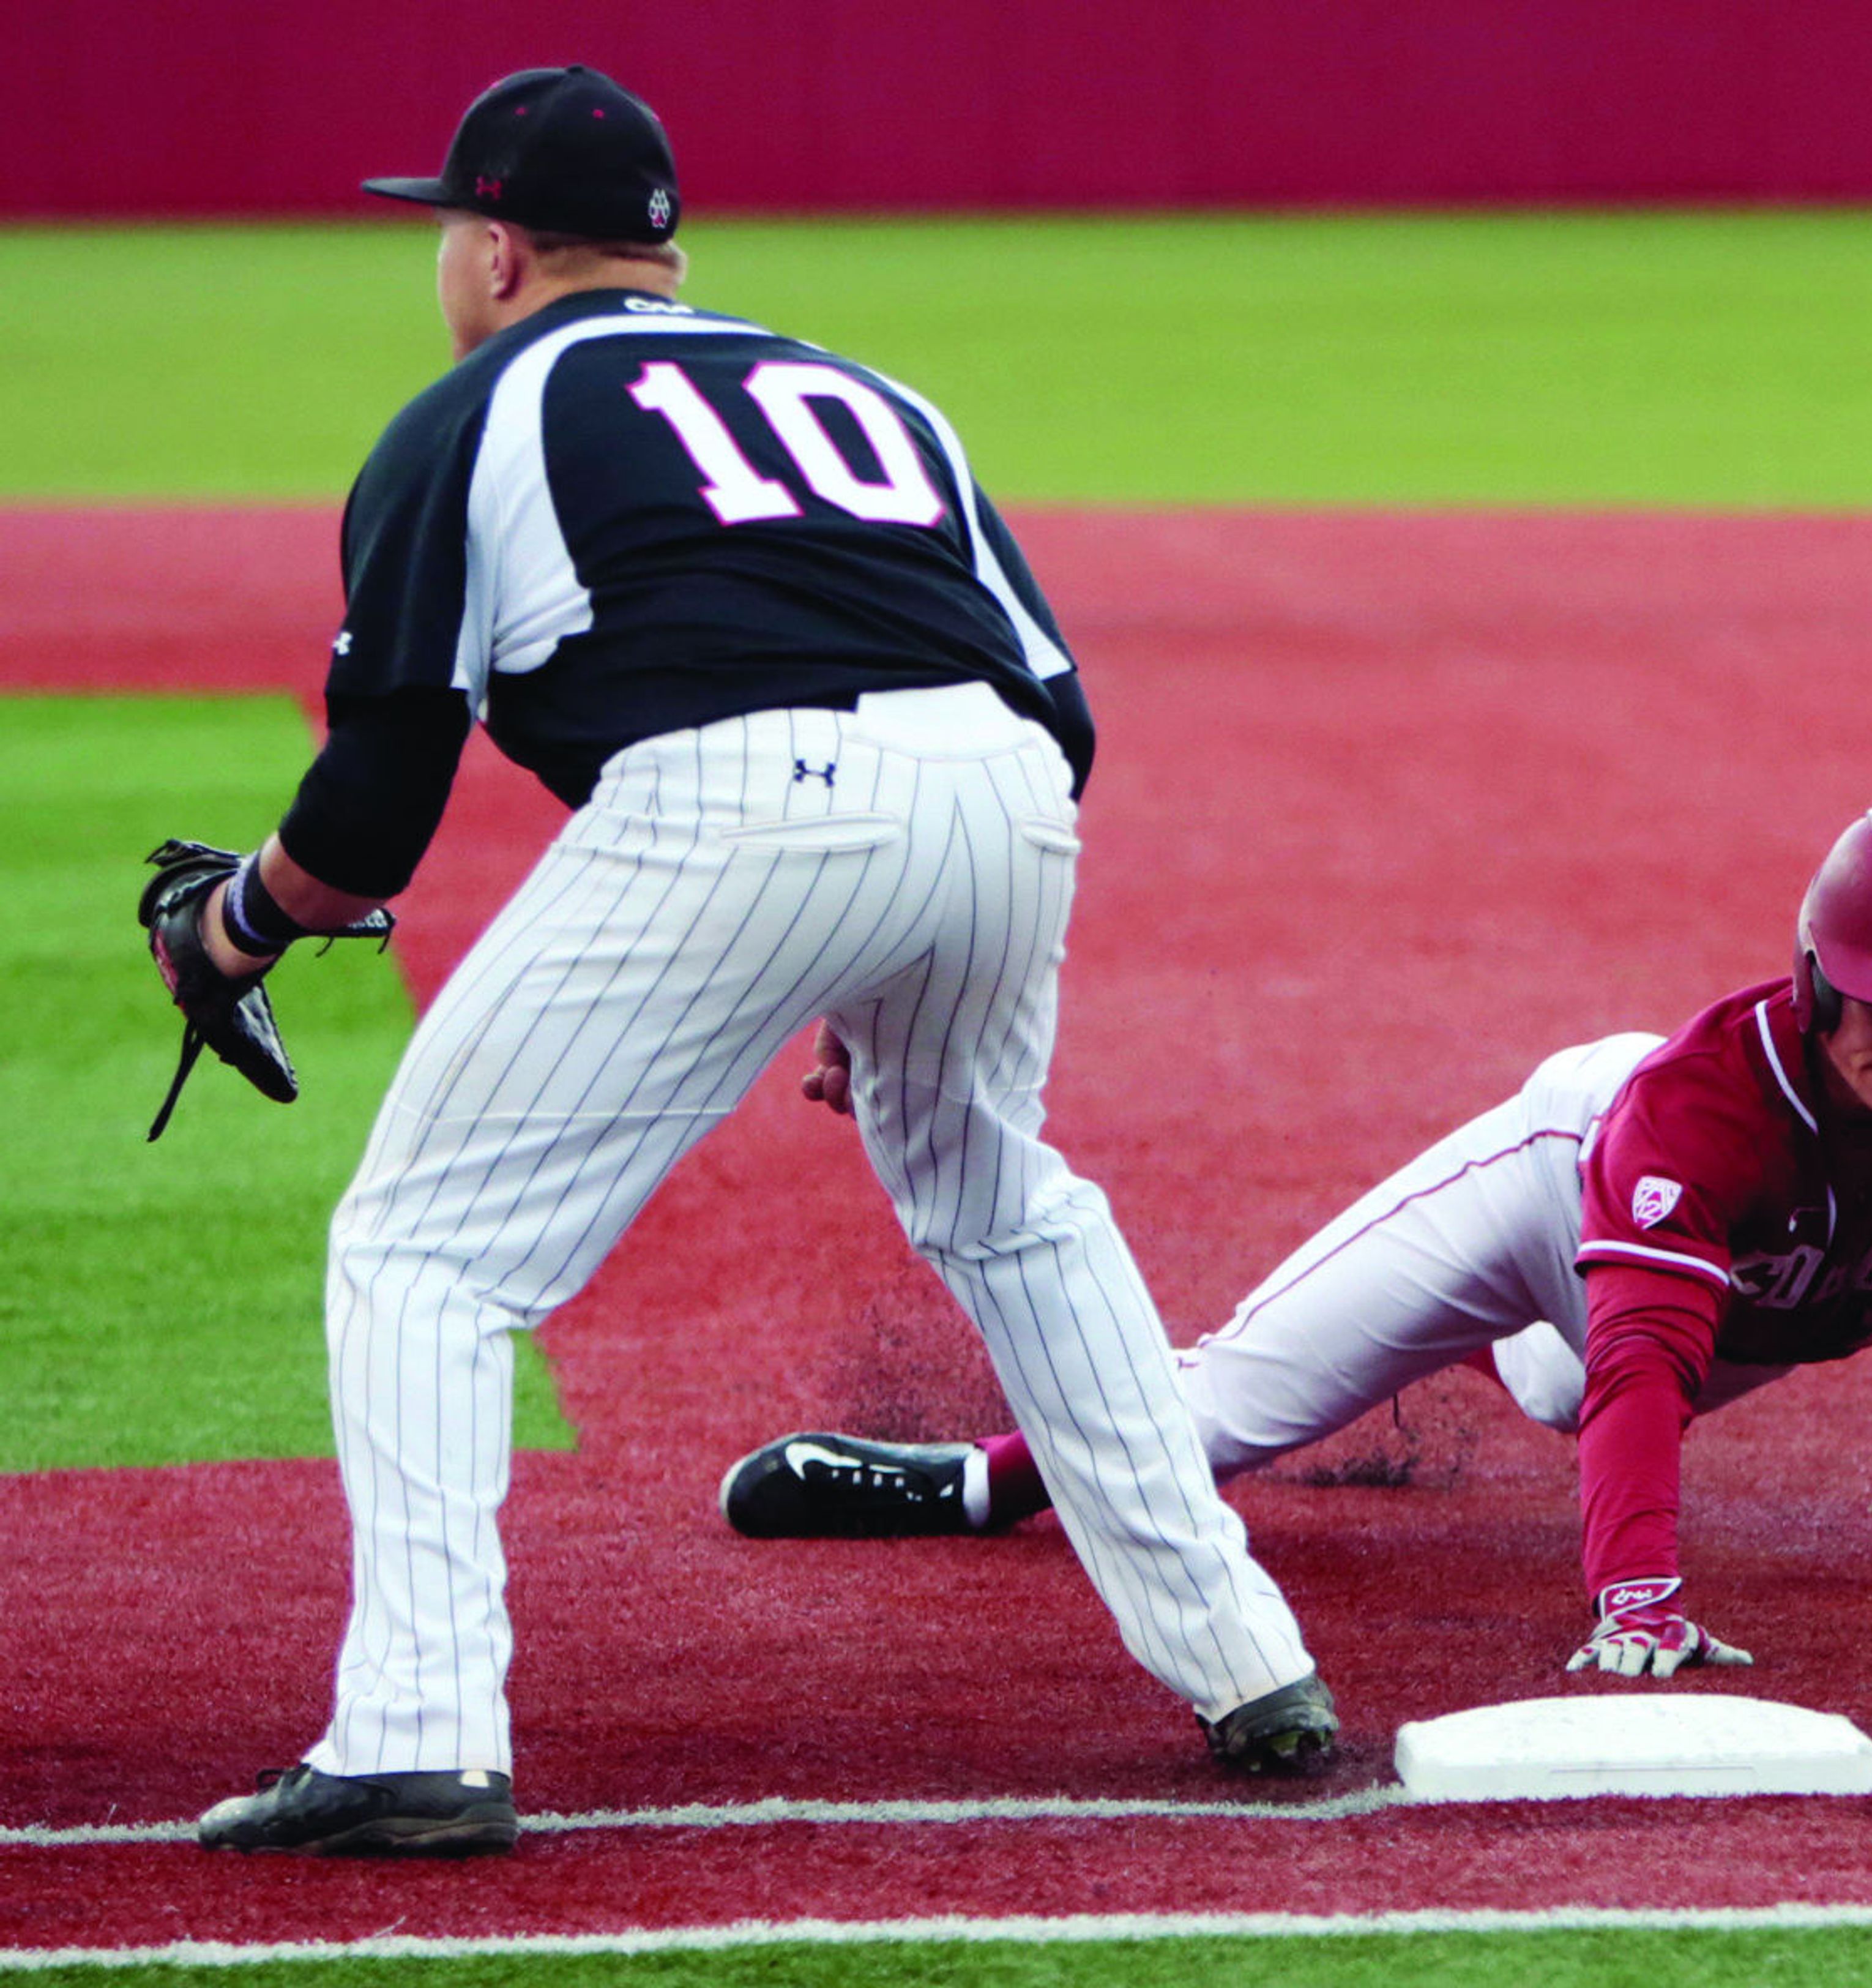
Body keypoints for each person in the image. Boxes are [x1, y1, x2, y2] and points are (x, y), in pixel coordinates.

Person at [189, 65, 1335, 1858]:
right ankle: (1250, 1663)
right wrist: (889, 946)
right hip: (1005, 794)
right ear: (667, 252)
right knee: (1003, 1198)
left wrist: (239, 920)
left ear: (494, 249)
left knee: (419, 1253)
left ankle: (417, 1735)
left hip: (739, 795)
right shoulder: (865, 386)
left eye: (449, 234)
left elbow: (378, 798)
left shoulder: (473, 414)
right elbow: (1060, 707)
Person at [725, 798, 1872, 1675]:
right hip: (1568, 1172)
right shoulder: (1705, 1106)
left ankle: (1476, 1337)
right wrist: (1637, 1598)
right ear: (1817, 974)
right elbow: (1647, 1371)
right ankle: (976, 1478)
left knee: (1551, 1394)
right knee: (1225, 1417)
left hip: (1693, 1291)